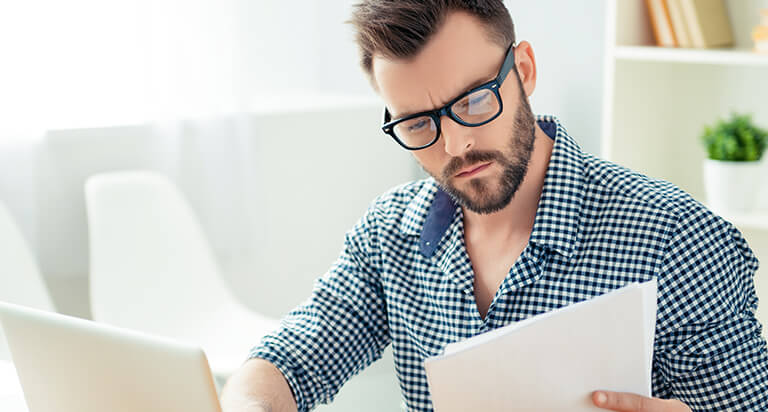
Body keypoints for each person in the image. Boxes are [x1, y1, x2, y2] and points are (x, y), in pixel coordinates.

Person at [220, 1, 768, 411]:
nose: (454, 145)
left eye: (474, 100)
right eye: (417, 123)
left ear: (524, 70)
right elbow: (292, 357)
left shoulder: (677, 238)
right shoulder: (390, 233)